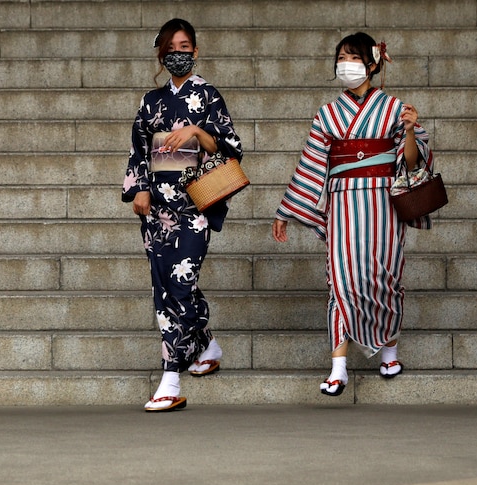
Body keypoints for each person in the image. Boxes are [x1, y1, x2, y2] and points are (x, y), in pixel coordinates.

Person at [272, 32, 434, 397]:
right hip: (342, 202)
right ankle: (338, 367)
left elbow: (411, 162)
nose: (345, 63)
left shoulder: (394, 108)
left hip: (383, 203)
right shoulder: (327, 113)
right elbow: (311, 164)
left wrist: (410, 130)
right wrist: (287, 210)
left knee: (385, 277)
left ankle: (389, 351)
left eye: (353, 57)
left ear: (373, 64)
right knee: (340, 281)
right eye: (341, 57)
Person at [122, 18, 243, 412]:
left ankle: (171, 378)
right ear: (162, 53)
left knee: (181, 281)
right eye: (172, 46)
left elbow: (229, 148)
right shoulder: (150, 101)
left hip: (194, 203)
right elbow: (139, 149)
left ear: (195, 50)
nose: (179, 51)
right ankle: (207, 343)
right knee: (166, 287)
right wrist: (139, 187)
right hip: (156, 205)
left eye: (186, 45)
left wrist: (195, 130)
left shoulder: (207, 94)